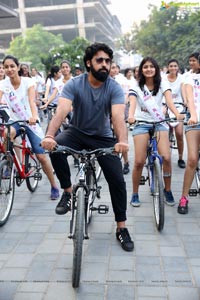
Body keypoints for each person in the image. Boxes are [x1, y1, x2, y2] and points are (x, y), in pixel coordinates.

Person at [41, 42, 134, 252]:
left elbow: (118, 117)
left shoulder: (114, 87)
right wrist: (49, 135)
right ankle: (67, 190)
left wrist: (122, 141)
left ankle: (121, 227)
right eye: (99, 60)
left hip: (103, 137)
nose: (105, 65)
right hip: (76, 132)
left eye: (108, 61)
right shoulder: (74, 84)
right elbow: (61, 111)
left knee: (117, 180)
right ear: (88, 63)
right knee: (55, 148)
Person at [0, 55, 60, 200]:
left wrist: (33, 116)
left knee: (41, 156)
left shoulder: (28, 82)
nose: (9, 69)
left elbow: (31, 101)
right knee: (7, 134)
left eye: (12, 66)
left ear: (18, 67)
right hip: (14, 120)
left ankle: (54, 185)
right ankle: (9, 162)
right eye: (6, 67)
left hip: (29, 120)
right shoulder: (3, 84)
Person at [128, 57, 184, 207]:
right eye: (145, 67)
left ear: (156, 69)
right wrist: (131, 116)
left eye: (151, 66)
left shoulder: (163, 84)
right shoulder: (136, 86)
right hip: (141, 123)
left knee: (166, 157)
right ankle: (134, 193)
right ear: (141, 70)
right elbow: (132, 102)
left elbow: (169, 101)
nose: (149, 69)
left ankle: (168, 189)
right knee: (139, 161)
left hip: (159, 122)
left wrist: (176, 113)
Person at [177, 56, 200, 214]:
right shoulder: (189, 78)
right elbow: (190, 99)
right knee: (192, 159)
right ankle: (184, 197)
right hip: (195, 121)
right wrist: (193, 115)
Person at [163, 58, 186, 168]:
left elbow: (184, 92)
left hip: (178, 107)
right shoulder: (163, 79)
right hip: (165, 107)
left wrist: (186, 102)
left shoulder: (182, 79)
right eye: (171, 66)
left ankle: (181, 157)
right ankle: (166, 157)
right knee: (165, 135)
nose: (173, 68)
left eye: (175, 66)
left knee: (180, 134)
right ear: (168, 67)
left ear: (178, 67)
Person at [109, 62, 130, 175]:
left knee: (121, 136)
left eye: (116, 67)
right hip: (107, 112)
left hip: (120, 109)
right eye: (112, 68)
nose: (114, 70)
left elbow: (127, 95)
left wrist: (122, 104)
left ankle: (126, 162)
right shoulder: (104, 81)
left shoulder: (122, 80)